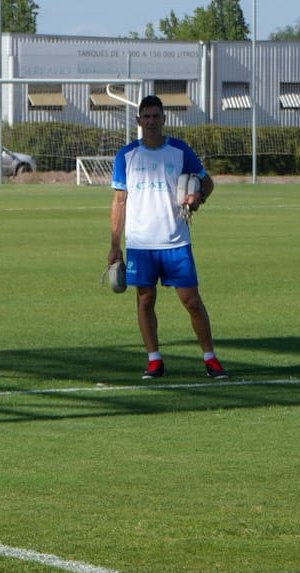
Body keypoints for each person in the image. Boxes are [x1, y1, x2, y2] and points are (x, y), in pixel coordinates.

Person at [108, 95, 227, 380]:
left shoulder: (179, 150)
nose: (151, 121)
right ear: (138, 121)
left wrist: (198, 197)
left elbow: (207, 182)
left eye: (155, 116)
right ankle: (154, 360)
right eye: (146, 117)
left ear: (164, 119)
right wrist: (115, 245)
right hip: (140, 243)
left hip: (176, 241)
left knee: (192, 302)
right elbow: (119, 201)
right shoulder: (126, 156)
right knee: (145, 300)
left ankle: (210, 358)